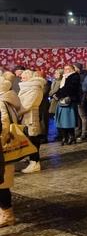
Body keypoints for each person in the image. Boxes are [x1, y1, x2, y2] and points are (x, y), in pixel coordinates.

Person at [0, 79, 22, 227]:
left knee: (2, 183)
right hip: (3, 146)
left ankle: (7, 214)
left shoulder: (2, 101)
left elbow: (4, 123)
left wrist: (1, 141)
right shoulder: (7, 98)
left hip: (3, 147)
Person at [18, 70, 46, 174]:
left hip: (31, 118)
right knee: (29, 139)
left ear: (29, 78)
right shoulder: (27, 88)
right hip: (25, 117)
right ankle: (32, 161)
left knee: (33, 140)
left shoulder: (34, 88)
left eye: (23, 78)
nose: (21, 80)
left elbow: (27, 105)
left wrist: (17, 112)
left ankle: (35, 162)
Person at [54, 64, 81, 147]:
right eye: (65, 69)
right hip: (62, 100)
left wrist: (59, 94)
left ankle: (71, 136)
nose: (66, 70)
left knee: (69, 120)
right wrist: (57, 94)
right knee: (62, 121)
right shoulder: (64, 77)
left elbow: (69, 88)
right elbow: (62, 88)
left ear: (73, 69)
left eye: (68, 68)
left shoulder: (74, 76)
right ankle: (64, 137)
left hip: (69, 101)